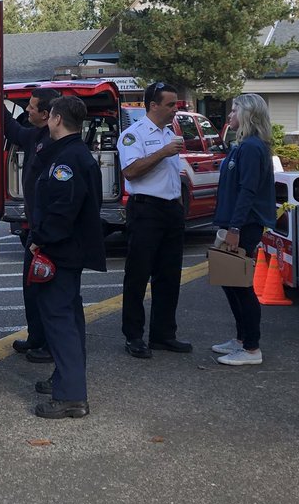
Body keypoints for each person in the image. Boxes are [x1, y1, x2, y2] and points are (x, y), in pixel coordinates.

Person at [27, 96, 106, 419]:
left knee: (60, 321)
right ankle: (64, 377)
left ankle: (71, 395)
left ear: (57, 119)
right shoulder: (73, 153)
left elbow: (62, 209)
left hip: (61, 250)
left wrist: (39, 239)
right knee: (68, 317)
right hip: (70, 249)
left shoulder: (67, 160)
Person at [117, 82, 190, 359]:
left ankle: (163, 334)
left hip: (171, 210)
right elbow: (131, 172)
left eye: (176, 104)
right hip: (146, 210)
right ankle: (134, 336)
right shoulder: (133, 135)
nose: (175, 109)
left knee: (170, 275)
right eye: (170, 104)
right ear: (153, 105)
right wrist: (162, 153)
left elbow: (171, 176)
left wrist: (178, 204)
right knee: (138, 275)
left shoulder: (169, 133)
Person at [210, 94, 276, 367]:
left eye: (235, 110)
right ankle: (240, 339)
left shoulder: (252, 147)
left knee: (241, 284)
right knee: (228, 280)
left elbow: (247, 190)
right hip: (233, 222)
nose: (230, 115)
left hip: (244, 224)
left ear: (249, 114)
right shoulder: (241, 145)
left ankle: (251, 348)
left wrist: (235, 226)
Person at [4, 86, 60, 363]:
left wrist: (45, 233)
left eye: (32, 106)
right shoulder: (35, 136)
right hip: (34, 229)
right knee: (31, 286)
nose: (27, 110)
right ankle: (36, 338)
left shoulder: (58, 146)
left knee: (49, 291)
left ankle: (51, 345)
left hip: (49, 234)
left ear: (48, 114)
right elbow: (12, 130)